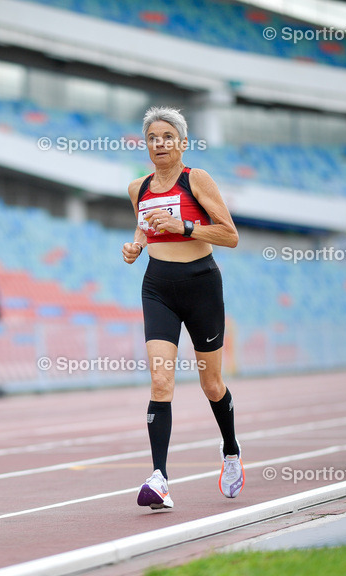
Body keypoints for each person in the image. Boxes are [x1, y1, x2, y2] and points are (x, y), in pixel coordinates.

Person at [122, 106, 242, 510]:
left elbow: (230, 235)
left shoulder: (197, 180)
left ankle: (230, 450)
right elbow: (144, 225)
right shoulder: (137, 188)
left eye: (167, 137)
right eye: (153, 138)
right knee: (160, 380)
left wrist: (185, 227)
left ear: (183, 143)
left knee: (211, 383)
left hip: (201, 285)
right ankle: (159, 478)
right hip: (158, 287)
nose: (160, 144)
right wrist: (136, 246)